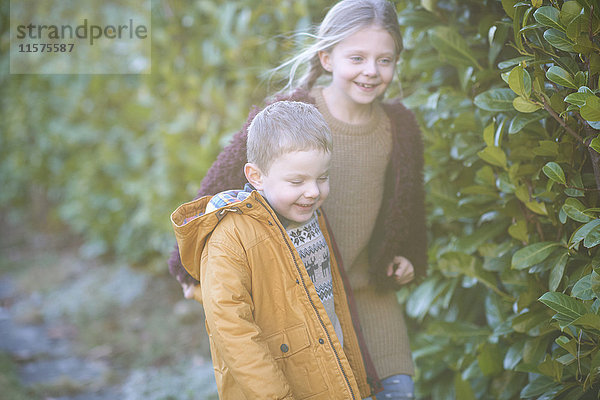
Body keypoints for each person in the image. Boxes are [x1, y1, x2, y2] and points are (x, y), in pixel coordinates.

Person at [169, 1, 427, 398]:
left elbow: (409, 208)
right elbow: (219, 186)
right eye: (357, 57)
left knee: (398, 388)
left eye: (385, 59)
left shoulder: (400, 126)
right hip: (302, 301)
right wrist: (189, 269)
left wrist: (408, 254)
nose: (371, 71)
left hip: (372, 301)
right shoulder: (294, 114)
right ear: (326, 57)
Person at [170, 101, 373, 399]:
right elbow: (231, 325)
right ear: (256, 176)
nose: (314, 191)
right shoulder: (230, 235)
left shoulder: (312, 215)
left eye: (322, 177)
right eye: (297, 181)